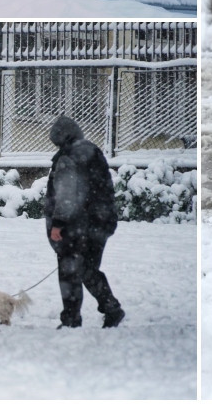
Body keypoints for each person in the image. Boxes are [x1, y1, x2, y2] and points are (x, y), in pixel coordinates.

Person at [44, 115, 124, 328]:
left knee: (70, 271)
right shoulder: (93, 152)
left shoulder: (68, 156)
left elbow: (67, 194)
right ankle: (111, 308)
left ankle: (72, 319)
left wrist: (58, 224)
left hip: (76, 226)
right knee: (87, 269)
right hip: (100, 222)